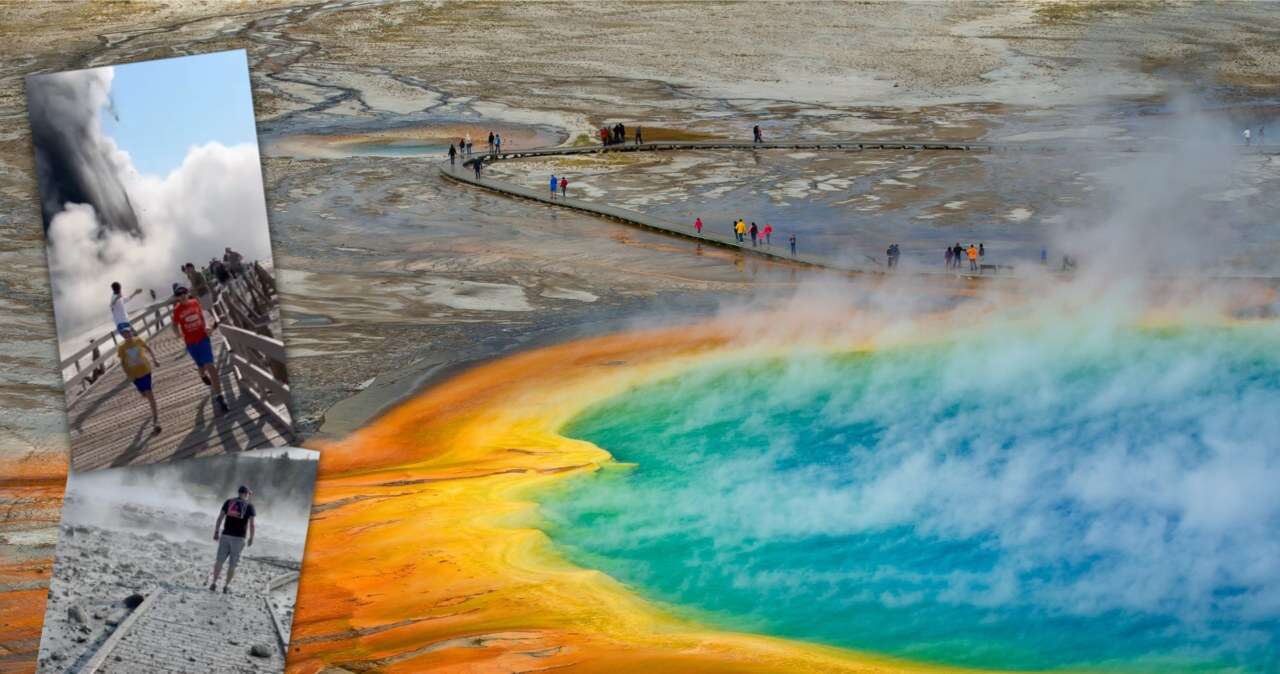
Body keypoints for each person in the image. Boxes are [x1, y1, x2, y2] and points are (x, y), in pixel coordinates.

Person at [172, 285, 229, 414]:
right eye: (179, 295)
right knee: (202, 367)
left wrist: (208, 326)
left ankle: (220, 397)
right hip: (191, 343)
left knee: (211, 366)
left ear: (187, 293)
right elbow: (174, 324)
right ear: (177, 297)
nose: (182, 296)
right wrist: (178, 334)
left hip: (203, 339)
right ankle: (202, 375)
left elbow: (203, 317)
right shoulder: (177, 310)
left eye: (184, 293)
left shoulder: (195, 302)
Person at [116, 325, 161, 436]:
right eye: (124, 333)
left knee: (150, 395)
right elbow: (122, 362)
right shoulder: (121, 347)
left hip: (145, 370)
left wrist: (155, 360)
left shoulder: (138, 340)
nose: (127, 334)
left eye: (128, 332)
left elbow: (148, 349)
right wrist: (127, 374)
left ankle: (156, 421)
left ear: (131, 332)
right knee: (144, 394)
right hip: (134, 375)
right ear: (122, 335)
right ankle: (147, 397)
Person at [210, 485, 256, 594]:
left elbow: (220, 518)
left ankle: (214, 583)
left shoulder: (229, 502)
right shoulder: (249, 506)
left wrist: (216, 532)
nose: (249, 496)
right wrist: (251, 538)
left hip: (225, 535)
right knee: (232, 564)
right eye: (249, 494)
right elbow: (252, 525)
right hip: (239, 538)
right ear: (245, 494)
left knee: (219, 561)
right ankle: (226, 586)